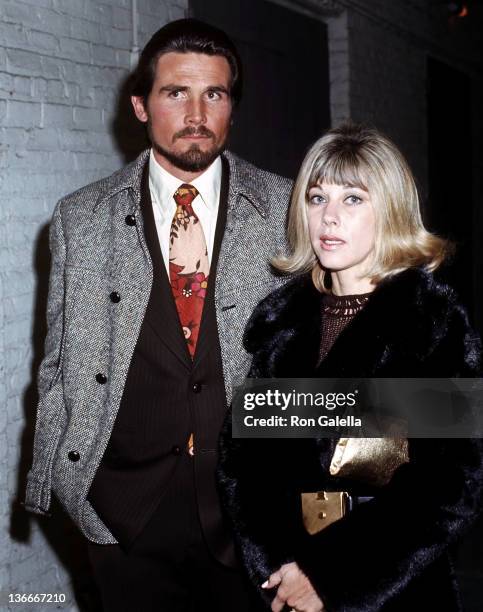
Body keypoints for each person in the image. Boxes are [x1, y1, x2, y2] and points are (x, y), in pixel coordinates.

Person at [24, 18, 293, 611]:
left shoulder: (290, 206)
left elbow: (332, 363)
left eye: (214, 94)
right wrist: (60, 482)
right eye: (177, 93)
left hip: (251, 513)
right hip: (122, 512)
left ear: (232, 108)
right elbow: (59, 361)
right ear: (141, 106)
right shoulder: (79, 216)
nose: (197, 113)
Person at [218, 123, 483, 612]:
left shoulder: (428, 323)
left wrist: (328, 575)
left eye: (354, 199)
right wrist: (282, 570)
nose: (329, 217)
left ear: (391, 211)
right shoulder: (282, 324)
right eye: (317, 198)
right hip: (284, 585)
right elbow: (243, 464)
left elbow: (448, 486)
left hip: (391, 593)